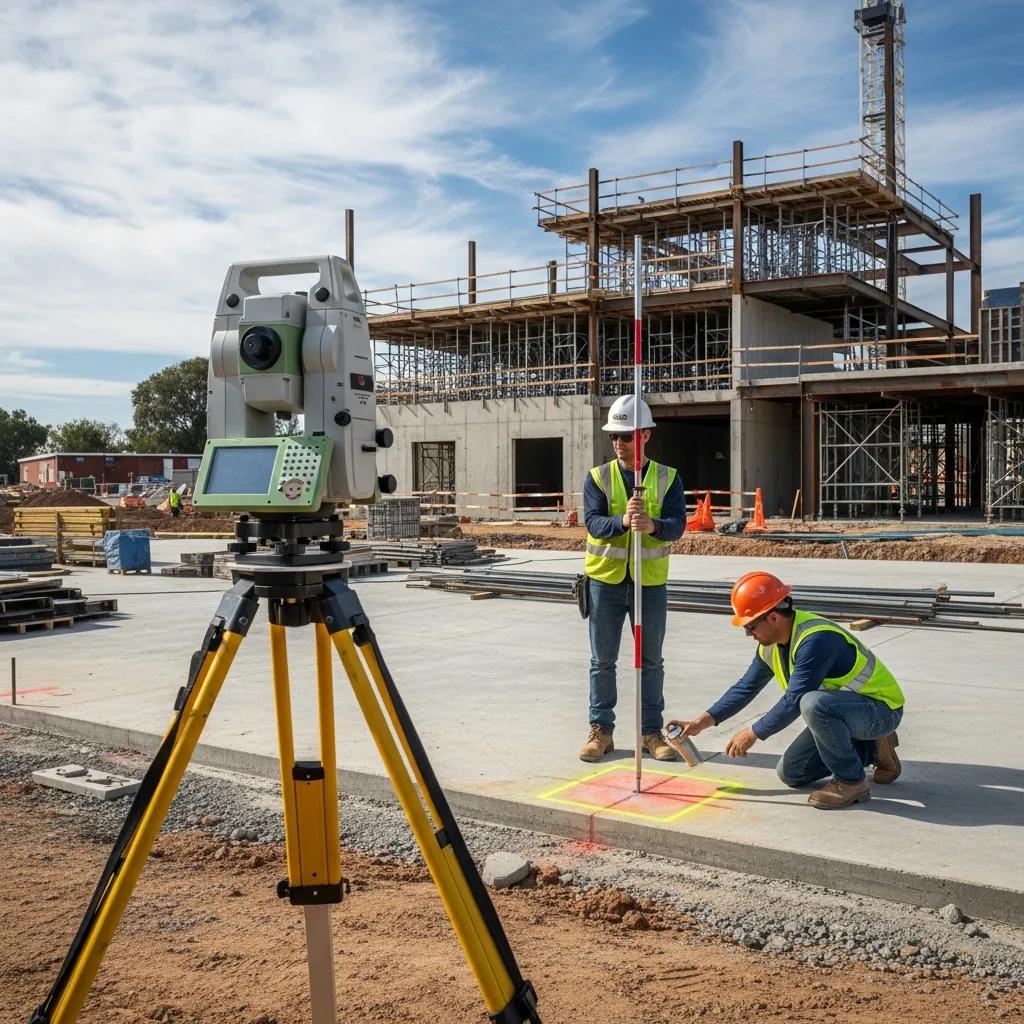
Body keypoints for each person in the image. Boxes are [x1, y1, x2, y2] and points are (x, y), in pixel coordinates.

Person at [669, 571, 904, 809]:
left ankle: (852, 782)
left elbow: (794, 701)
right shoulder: (769, 646)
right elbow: (746, 687)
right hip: (845, 714)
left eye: (751, 627)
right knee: (792, 773)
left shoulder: (816, 639)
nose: (749, 635)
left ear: (772, 618)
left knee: (811, 703)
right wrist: (701, 722)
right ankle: (872, 748)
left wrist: (752, 733)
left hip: (881, 710)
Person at [579, 394, 686, 762]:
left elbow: (678, 527)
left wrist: (653, 525)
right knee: (602, 662)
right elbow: (592, 522)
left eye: (626, 436)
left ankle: (650, 733)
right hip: (605, 584)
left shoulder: (667, 478)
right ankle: (601, 731)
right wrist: (622, 522)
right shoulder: (598, 477)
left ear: (646, 436)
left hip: (649, 585)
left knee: (651, 662)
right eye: (615, 437)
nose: (619, 444)